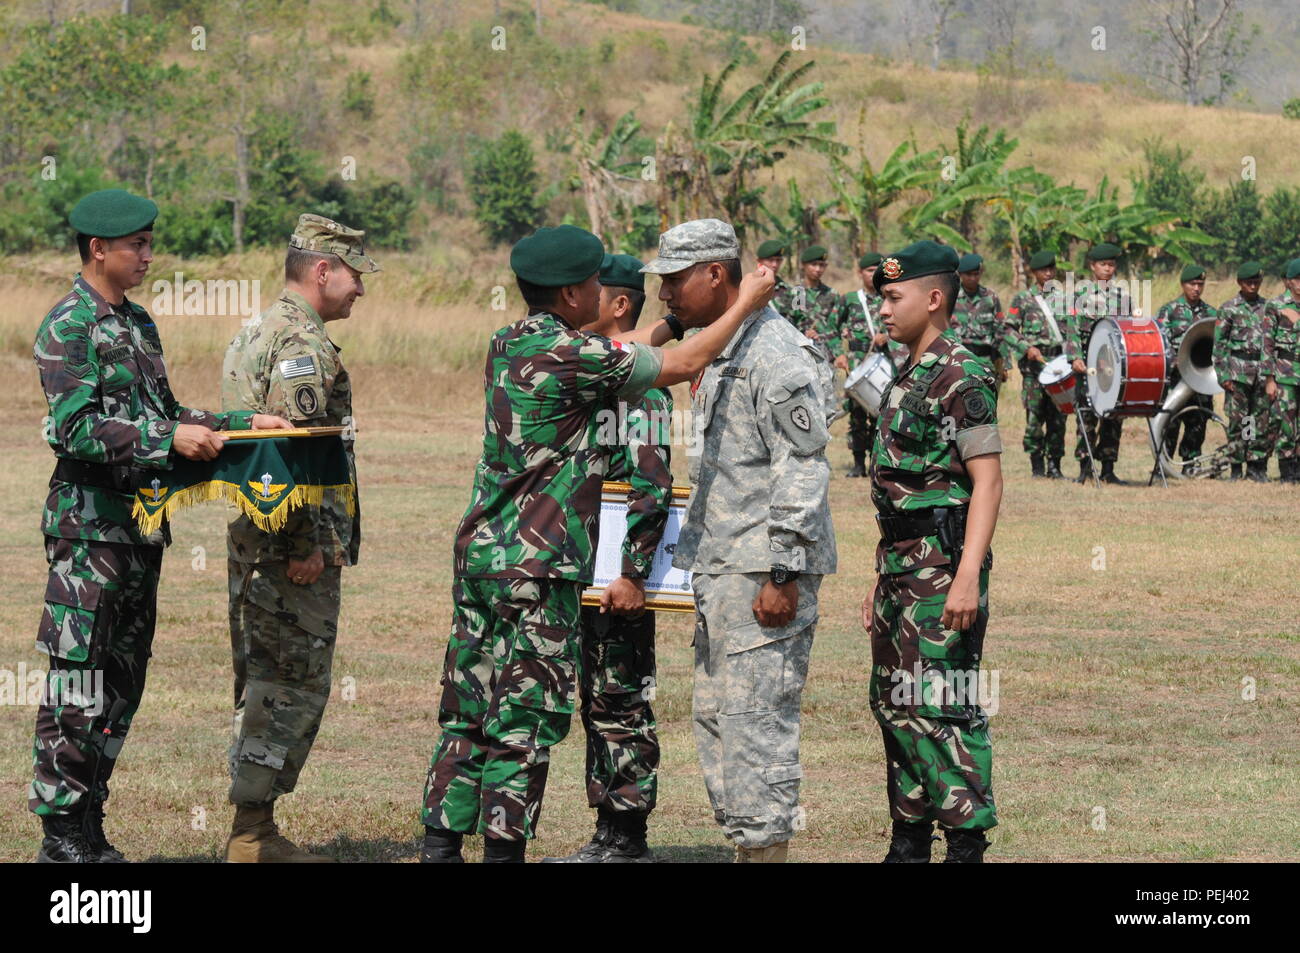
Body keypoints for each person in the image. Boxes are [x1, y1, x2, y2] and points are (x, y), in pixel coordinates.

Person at [419, 223, 775, 863]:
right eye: (590, 284)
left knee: (468, 708)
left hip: (481, 561)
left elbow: (632, 349)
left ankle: (440, 847)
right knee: (522, 723)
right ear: (575, 294)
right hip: (537, 568)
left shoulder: (511, 342)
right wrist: (745, 302)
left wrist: (667, 323)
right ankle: (502, 855)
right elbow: (682, 365)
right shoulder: (574, 356)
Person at [30, 189, 288, 863]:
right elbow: (73, 428)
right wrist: (167, 438)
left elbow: (169, 412)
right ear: (98, 250)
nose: (148, 255)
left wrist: (235, 424)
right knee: (77, 679)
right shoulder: (70, 325)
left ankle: (90, 821)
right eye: (136, 245)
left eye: (149, 242)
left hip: (140, 531)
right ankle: (59, 835)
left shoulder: (139, 324)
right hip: (88, 535)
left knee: (123, 679)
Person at [662, 220, 836, 863]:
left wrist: (783, 572)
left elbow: (804, 464)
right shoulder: (725, 343)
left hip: (763, 569)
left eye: (676, 280)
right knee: (717, 720)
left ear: (715, 273)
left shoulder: (776, 352)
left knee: (756, 723)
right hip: (722, 564)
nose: (666, 295)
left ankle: (766, 852)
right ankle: (748, 847)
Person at [220, 213, 376, 862]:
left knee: (265, 676)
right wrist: (305, 543)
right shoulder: (301, 344)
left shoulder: (256, 328)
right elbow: (292, 453)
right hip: (286, 554)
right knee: (287, 683)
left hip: (255, 544)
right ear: (322, 270)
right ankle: (252, 832)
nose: (360, 290)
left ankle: (255, 826)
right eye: (353, 275)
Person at [864, 240, 1003, 864]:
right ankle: (910, 839)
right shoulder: (905, 371)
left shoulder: (961, 372)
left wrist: (968, 572)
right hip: (900, 565)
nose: (885, 311)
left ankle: (966, 844)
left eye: (895, 298)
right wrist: (879, 574)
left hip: (942, 566)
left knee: (941, 701)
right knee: (895, 700)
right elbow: (898, 489)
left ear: (935, 298)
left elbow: (988, 480)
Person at [544, 253, 672, 863]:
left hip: (617, 579)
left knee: (619, 699)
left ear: (619, 305)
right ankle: (606, 827)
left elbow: (652, 487)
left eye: (591, 292)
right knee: (592, 698)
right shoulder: (586, 375)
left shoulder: (639, 388)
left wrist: (632, 573)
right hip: (577, 572)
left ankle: (627, 832)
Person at [1068, 243, 1131, 484]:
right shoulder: (1080, 295)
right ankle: (1085, 467)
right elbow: (1072, 329)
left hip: (1114, 367)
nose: (1108, 269)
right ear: (1093, 266)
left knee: (1113, 416)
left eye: (1111, 265)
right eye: (1103, 264)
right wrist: (1074, 358)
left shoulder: (1123, 296)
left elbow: (1127, 331)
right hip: (1088, 365)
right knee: (1086, 416)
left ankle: (1108, 468)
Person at [1004, 250, 1068, 478]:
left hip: (1059, 365)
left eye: (1051, 269)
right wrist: (1025, 347)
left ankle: (1055, 465)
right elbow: (1008, 329)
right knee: (1034, 416)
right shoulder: (1023, 299)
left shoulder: (1064, 299)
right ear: (1034, 273)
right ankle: (1036, 464)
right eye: (1043, 270)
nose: (1048, 273)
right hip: (1034, 368)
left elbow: (1073, 330)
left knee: (1058, 418)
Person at [831, 252, 895, 477]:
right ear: (860, 273)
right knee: (857, 417)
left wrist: (889, 338)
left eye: (878, 270)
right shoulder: (850, 299)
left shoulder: (889, 297)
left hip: (884, 362)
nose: (874, 274)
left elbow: (905, 326)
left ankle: (877, 463)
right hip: (858, 363)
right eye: (870, 270)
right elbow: (833, 328)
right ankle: (858, 464)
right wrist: (839, 354)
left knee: (882, 415)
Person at [1154, 264, 1217, 474]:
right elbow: (1159, 342)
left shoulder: (1211, 313)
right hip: (1175, 377)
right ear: (1183, 285)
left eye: (1200, 284)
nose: (1197, 288)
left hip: (1200, 377)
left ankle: (1191, 463)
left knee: (1197, 422)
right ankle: (1163, 464)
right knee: (1169, 421)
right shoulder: (1169, 311)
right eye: (1192, 284)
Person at [1214, 261, 1272, 481]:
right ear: (1240, 283)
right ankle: (1236, 467)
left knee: (1257, 420)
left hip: (1261, 370)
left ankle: (1256, 466)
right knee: (1238, 421)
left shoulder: (1268, 307)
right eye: (1249, 282)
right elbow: (1219, 346)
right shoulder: (1229, 308)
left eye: (1256, 282)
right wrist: (1223, 376)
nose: (1253, 286)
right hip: (1237, 372)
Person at [1263, 258, 1300, 484]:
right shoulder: (1276, 305)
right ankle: (1287, 470)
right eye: (1297, 279)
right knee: (1286, 423)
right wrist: (1269, 379)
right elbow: (1267, 345)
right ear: (1289, 281)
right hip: (1285, 373)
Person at [952, 253, 1008, 401]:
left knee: (986, 403)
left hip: (985, 361)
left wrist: (1004, 365)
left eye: (976, 274)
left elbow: (1001, 331)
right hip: (958, 360)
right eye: (968, 274)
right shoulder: (951, 297)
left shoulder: (990, 297)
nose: (972, 278)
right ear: (960, 274)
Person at [777, 245, 838, 340]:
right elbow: (785, 325)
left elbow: (836, 327)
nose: (818, 269)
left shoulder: (832, 295)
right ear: (803, 265)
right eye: (814, 264)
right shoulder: (793, 293)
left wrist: (821, 335)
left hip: (826, 349)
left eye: (821, 265)